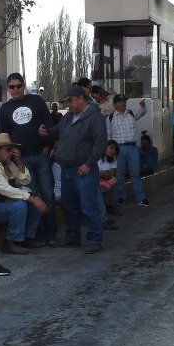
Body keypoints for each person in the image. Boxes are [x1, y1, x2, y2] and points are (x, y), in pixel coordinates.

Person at [0, 73, 57, 243]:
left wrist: (47, 148)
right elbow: (3, 135)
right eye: (12, 86)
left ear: (24, 86)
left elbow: (50, 126)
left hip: (41, 156)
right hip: (21, 161)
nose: (16, 89)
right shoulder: (5, 109)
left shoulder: (36, 101)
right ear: (8, 89)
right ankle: (37, 235)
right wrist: (11, 156)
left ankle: (51, 234)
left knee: (48, 194)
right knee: (32, 196)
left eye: (19, 86)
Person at [50, 85, 107, 253]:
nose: (68, 104)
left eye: (70, 100)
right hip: (67, 168)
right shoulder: (68, 116)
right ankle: (73, 237)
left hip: (83, 170)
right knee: (70, 206)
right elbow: (56, 131)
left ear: (81, 99)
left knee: (88, 206)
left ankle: (95, 240)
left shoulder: (95, 117)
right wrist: (45, 131)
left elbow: (100, 143)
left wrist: (89, 164)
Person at [0, 133, 48, 255]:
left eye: (11, 149)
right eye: (7, 149)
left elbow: (25, 180)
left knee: (32, 204)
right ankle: (11, 242)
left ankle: (27, 237)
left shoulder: (6, 163)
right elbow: (6, 189)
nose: (11, 153)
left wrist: (19, 161)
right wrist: (33, 199)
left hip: (0, 204)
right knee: (20, 206)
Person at [105, 93, 149, 206]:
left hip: (132, 147)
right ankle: (121, 197)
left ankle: (141, 197)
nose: (123, 103)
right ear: (115, 104)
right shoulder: (110, 118)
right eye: (120, 102)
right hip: (118, 148)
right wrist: (110, 150)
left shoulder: (132, 114)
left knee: (135, 173)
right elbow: (109, 135)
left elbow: (143, 111)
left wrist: (143, 106)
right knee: (119, 174)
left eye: (124, 101)